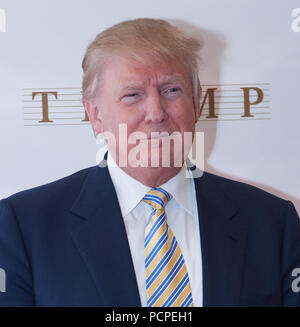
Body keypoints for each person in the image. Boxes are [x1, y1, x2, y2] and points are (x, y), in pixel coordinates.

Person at [0, 18, 300, 307]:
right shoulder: (25, 227)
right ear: (95, 115)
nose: (156, 112)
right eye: (132, 95)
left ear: (197, 104)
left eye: (172, 90)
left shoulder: (272, 223)